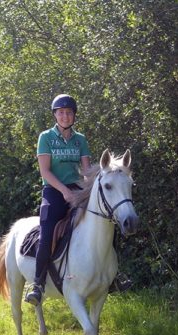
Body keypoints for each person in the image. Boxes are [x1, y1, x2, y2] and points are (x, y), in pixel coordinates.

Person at [25, 94, 131, 306]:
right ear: (55, 115)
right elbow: (45, 171)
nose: (65, 116)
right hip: (54, 191)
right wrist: (64, 191)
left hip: (79, 190)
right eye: (61, 112)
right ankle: (37, 284)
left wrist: (88, 189)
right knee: (47, 229)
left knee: (107, 221)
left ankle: (112, 277)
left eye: (69, 113)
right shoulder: (46, 137)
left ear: (74, 116)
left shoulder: (80, 139)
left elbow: (86, 171)